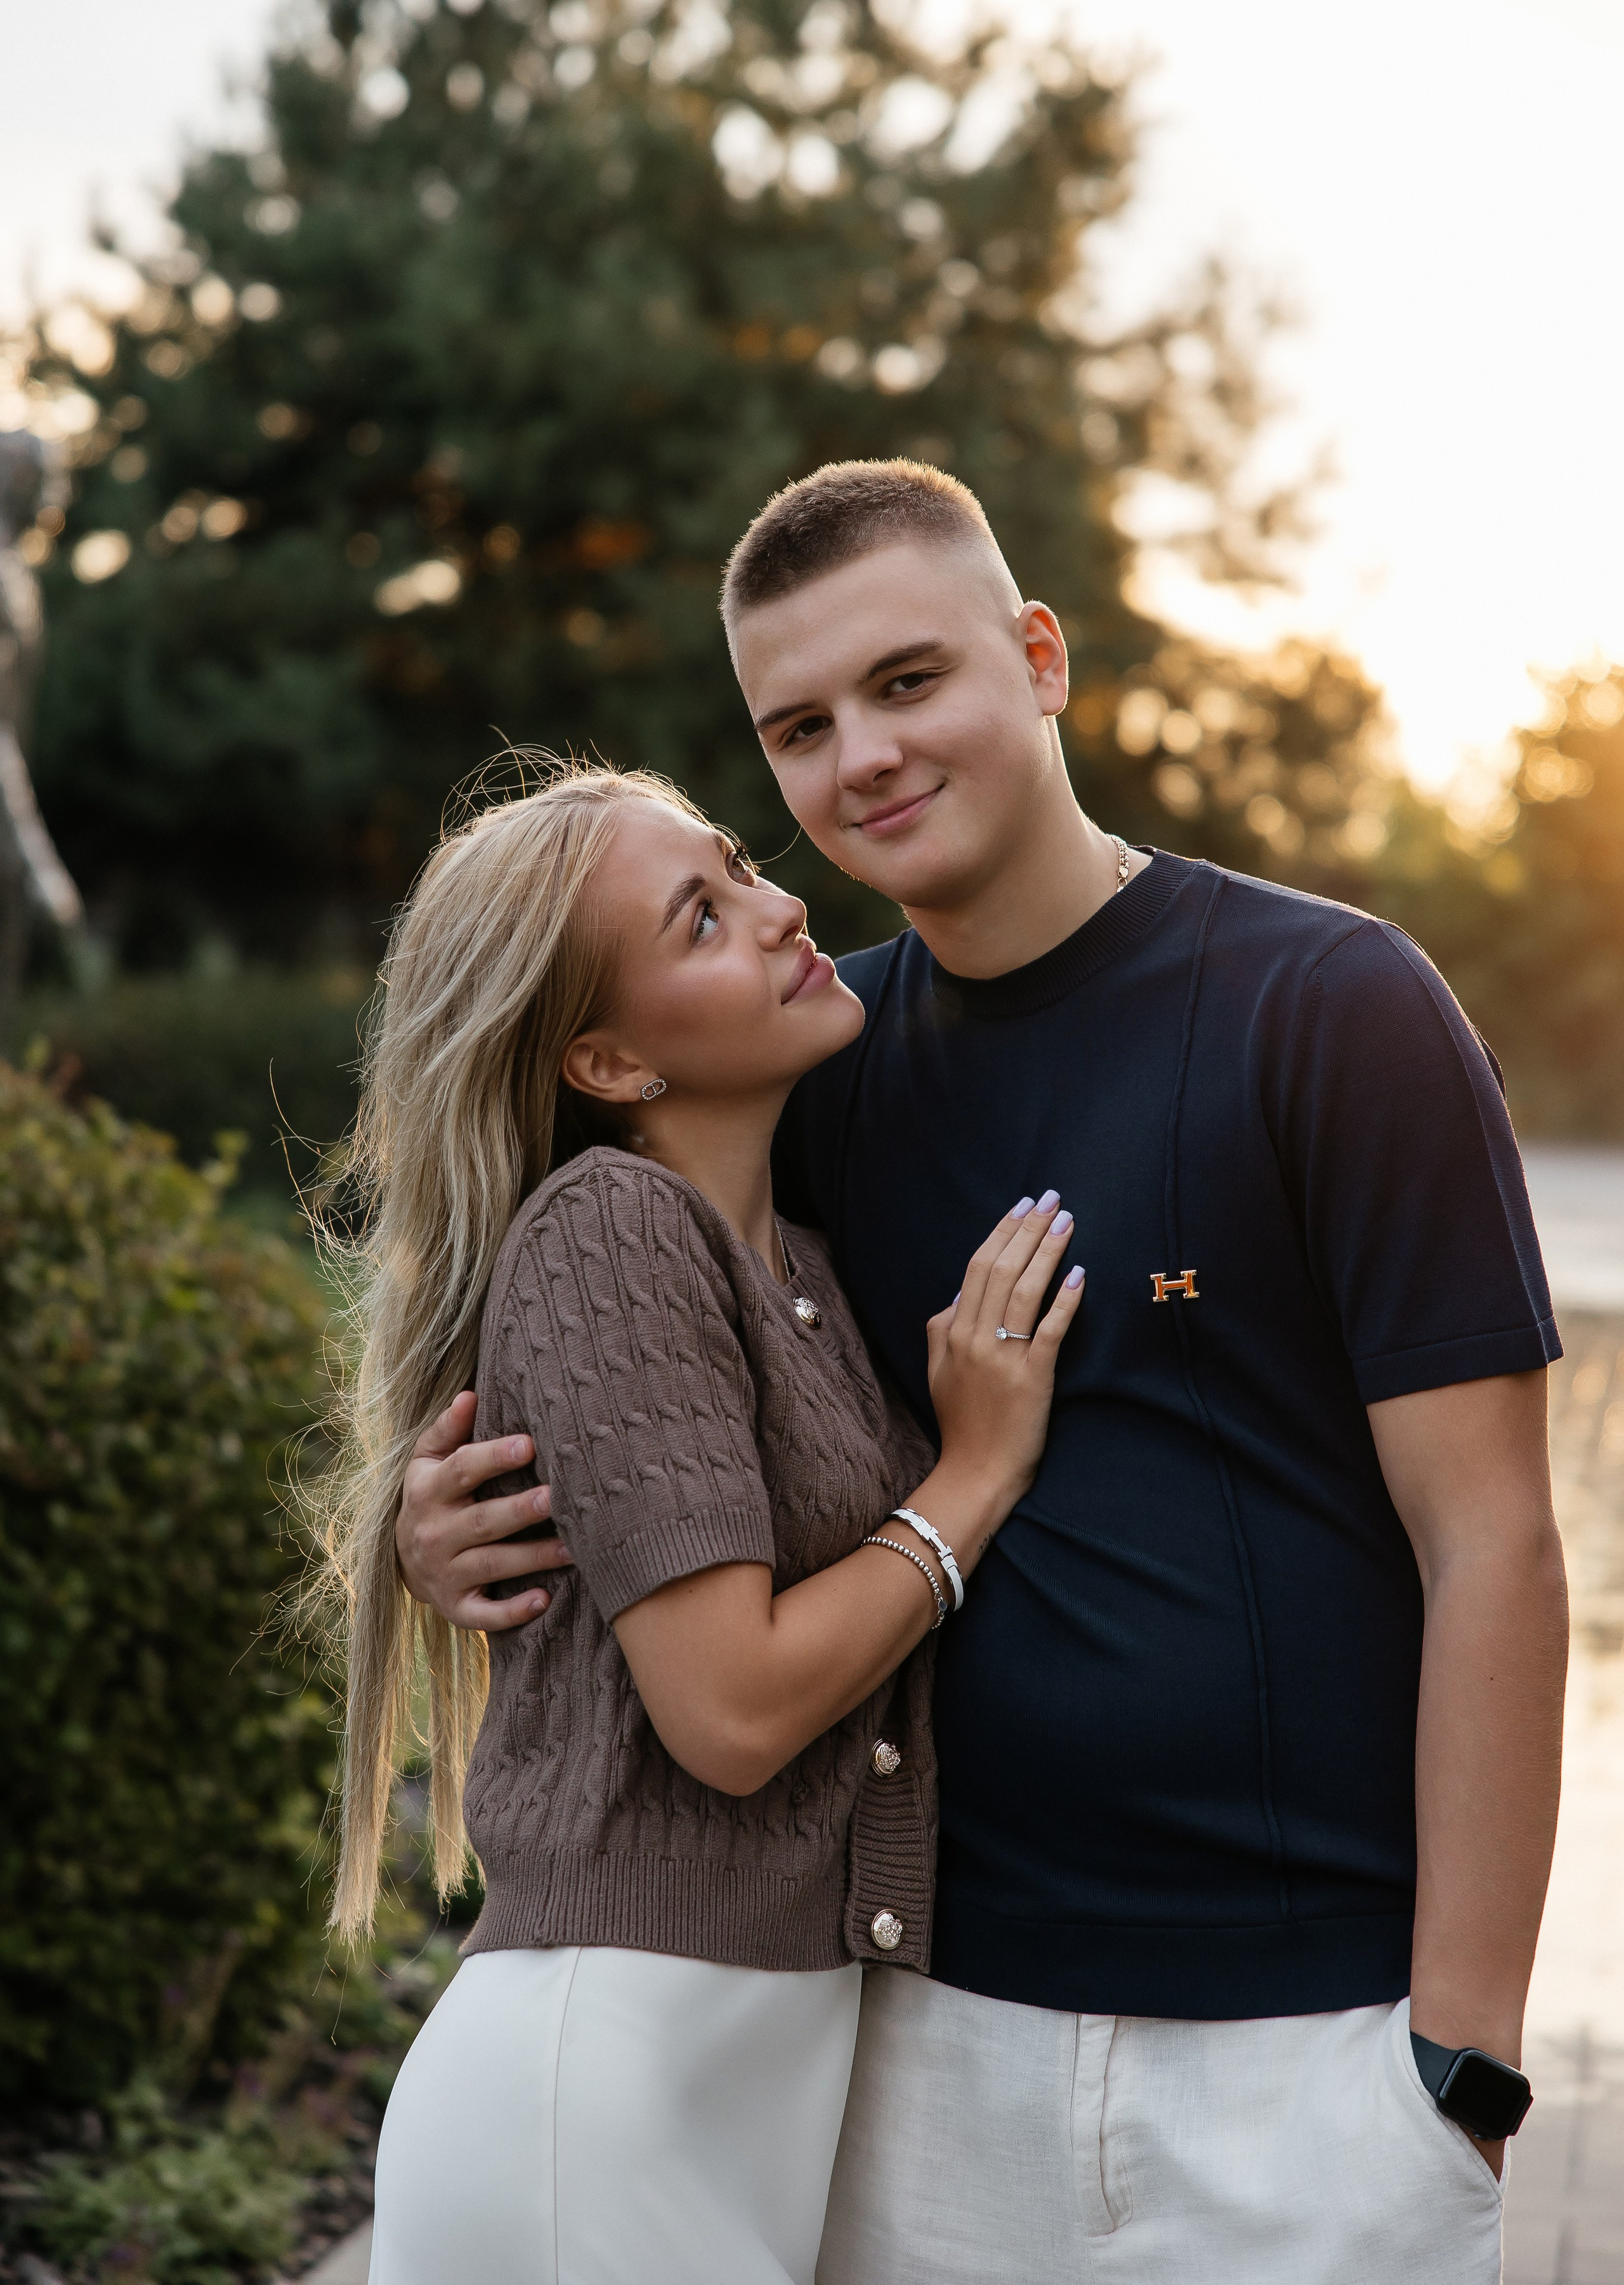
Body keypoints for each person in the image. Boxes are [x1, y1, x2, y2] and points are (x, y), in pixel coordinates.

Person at [398, 462, 1569, 2282]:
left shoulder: (1331, 1008)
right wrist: (452, 1525)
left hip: (1306, 2066)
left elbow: (1494, 1541)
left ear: (1040, 660)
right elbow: (620, 1359)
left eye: (908, 681)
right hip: (908, 2049)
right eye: (798, 726)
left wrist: (1465, 2052)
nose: (858, 756)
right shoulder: (813, 1076)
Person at [322, 759, 1085, 2285]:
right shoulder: (612, 1230)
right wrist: (970, 1480)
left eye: (738, 865)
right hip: (596, 2097)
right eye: (702, 917)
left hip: (729, 2096)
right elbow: (730, 1712)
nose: (781, 904)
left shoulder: (786, 1253)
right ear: (606, 1061)